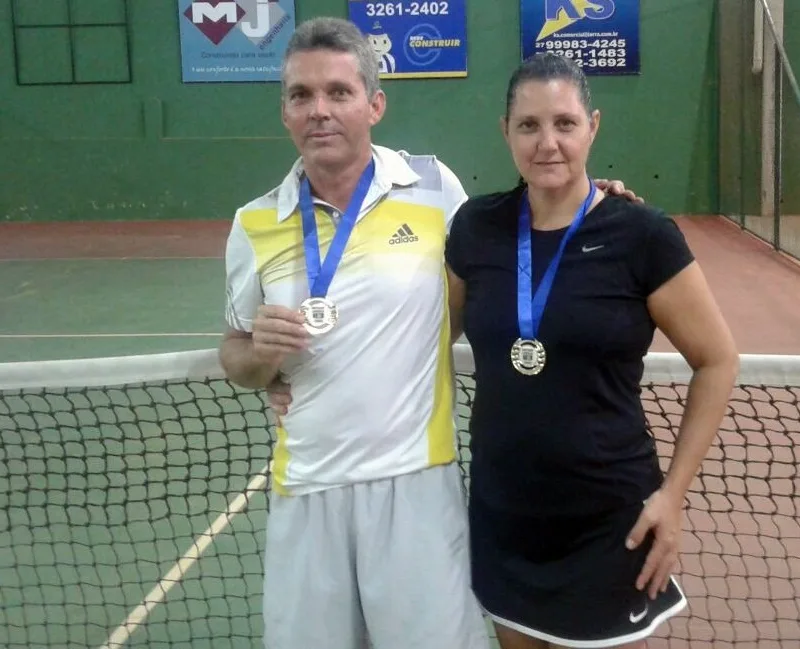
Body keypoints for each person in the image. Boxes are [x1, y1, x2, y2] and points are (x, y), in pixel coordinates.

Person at [219, 17, 638, 649]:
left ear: (375, 104)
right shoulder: (253, 224)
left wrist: (591, 202)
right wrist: (257, 355)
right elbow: (235, 354)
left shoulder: (434, 188)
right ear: (284, 111)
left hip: (418, 484)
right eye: (301, 96)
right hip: (307, 488)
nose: (320, 111)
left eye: (338, 92)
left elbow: (525, 228)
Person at [443, 53, 740, 649]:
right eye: (528, 125)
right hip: (506, 516)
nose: (547, 143)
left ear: (593, 126)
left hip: (610, 522)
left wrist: (673, 497)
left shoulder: (642, 236)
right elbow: (421, 341)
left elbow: (717, 360)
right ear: (505, 131)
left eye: (564, 123)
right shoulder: (475, 228)